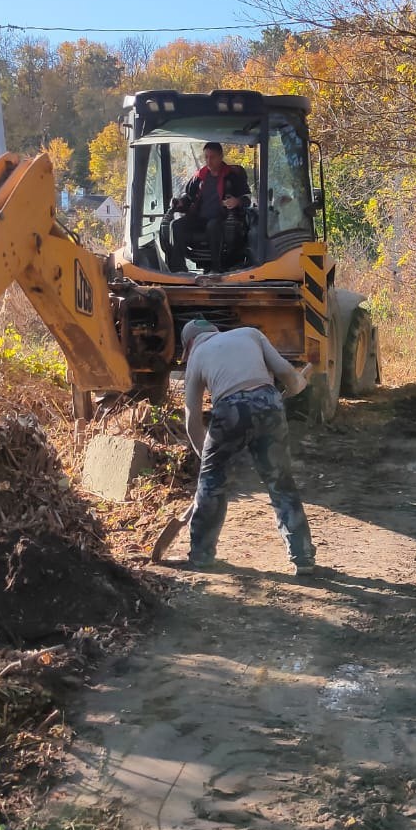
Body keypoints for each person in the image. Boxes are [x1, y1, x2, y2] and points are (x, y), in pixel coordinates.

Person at [180, 319, 316, 575]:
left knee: (212, 485)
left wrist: (208, 464)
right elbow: (287, 374)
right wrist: (299, 385)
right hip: (269, 403)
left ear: (188, 345)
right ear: (214, 332)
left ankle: (201, 556)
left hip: (230, 409)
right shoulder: (249, 334)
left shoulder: (197, 355)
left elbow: (192, 421)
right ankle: (303, 557)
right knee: (280, 481)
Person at [164, 142, 252, 273]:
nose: (209, 161)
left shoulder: (233, 175)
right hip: (199, 218)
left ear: (221, 156)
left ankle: (216, 269)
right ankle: (178, 268)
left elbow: (247, 199)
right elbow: (188, 197)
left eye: (212, 157)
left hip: (223, 219)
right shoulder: (199, 177)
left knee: (213, 225)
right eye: (206, 157)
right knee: (176, 225)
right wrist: (180, 203)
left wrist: (237, 201)